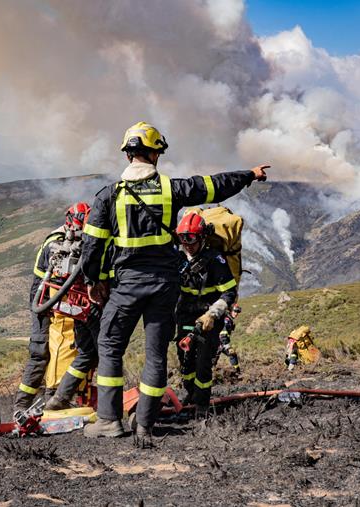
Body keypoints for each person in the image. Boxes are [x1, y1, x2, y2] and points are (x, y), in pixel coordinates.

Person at [79, 121, 268, 438]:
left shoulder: (109, 197)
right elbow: (213, 186)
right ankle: (145, 424)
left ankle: (109, 422)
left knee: (110, 346)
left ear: (128, 156)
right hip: (165, 288)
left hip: (126, 286)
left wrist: (94, 279)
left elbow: (92, 245)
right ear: (155, 155)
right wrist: (249, 174)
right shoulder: (170, 189)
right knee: (156, 355)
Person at [14, 202, 101, 414]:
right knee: (39, 352)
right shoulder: (54, 242)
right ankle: (21, 405)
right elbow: (44, 273)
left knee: (82, 350)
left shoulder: (86, 240)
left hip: (71, 301)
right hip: (46, 301)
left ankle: (56, 398)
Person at [173, 212, 238, 416]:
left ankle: (202, 405)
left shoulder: (214, 260)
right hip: (184, 316)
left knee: (202, 362)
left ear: (201, 238)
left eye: (191, 239)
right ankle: (191, 393)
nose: (187, 244)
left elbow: (229, 292)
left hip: (208, 318)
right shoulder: (177, 258)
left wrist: (213, 314)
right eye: (183, 239)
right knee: (185, 358)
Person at [214, 304, 242, 374]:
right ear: (231, 311)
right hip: (218, 343)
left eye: (237, 312)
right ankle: (211, 375)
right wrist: (227, 345)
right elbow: (223, 334)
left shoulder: (229, 319)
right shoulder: (226, 320)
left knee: (232, 355)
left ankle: (237, 372)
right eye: (235, 311)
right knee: (214, 359)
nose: (236, 314)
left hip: (220, 343)